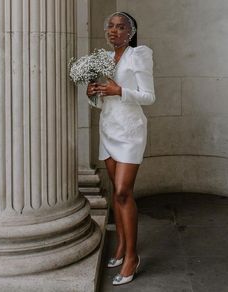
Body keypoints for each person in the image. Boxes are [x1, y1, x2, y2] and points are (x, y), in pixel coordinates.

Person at [87, 12, 156, 286]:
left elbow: (149, 96)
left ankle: (131, 256)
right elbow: (103, 100)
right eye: (111, 26)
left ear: (131, 30)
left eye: (120, 26)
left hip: (130, 131)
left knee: (123, 191)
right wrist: (92, 94)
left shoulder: (138, 54)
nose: (114, 30)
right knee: (116, 193)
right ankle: (120, 246)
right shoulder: (103, 58)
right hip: (108, 128)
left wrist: (120, 91)